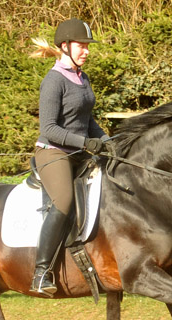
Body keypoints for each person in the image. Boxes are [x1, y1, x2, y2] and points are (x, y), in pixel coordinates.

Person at [29, 18, 111, 297]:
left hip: (80, 151)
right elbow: (49, 129)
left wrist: (108, 142)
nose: (86, 51)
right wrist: (85, 142)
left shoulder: (82, 78)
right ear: (65, 46)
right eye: (82, 45)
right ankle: (41, 272)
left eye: (88, 46)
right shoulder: (53, 81)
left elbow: (88, 121)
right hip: (53, 153)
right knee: (63, 202)